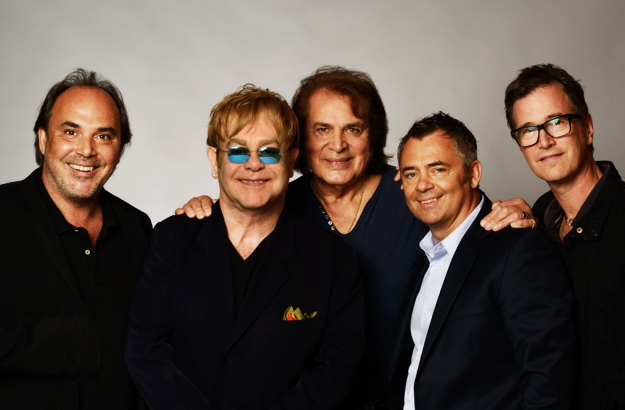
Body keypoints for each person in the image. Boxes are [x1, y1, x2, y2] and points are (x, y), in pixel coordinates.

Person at [177, 66, 427, 408]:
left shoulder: (412, 193)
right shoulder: (277, 202)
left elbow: (469, 219)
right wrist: (205, 209)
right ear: (299, 141)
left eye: (353, 129)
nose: (337, 145)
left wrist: (504, 214)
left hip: (404, 398)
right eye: (322, 129)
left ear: (373, 135)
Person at [125, 84, 364, 409]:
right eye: (238, 151)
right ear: (215, 160)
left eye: (270, 151)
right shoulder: (171, 240)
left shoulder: (334, 261)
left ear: (291, 161)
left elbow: (335, 372)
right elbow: (145, 349)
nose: (253, 164)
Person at [388, 112, 575, 409]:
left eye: (438, 169)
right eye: (411, 174)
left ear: (474, 174)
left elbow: (548, 378)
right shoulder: (424, 257)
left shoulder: (518, 249)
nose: (422, 185)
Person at [482, 63, 625, 409]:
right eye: (528, 130)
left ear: (588, 128)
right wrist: (526, 237)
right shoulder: (538, 221)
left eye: (556, 122)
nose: (544, 141)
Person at [0, 69, 151, 409]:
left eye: (104, 136)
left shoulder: (137, 228)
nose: (86, 150)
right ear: (43, 139)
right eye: (71, 132)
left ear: (119, 149)